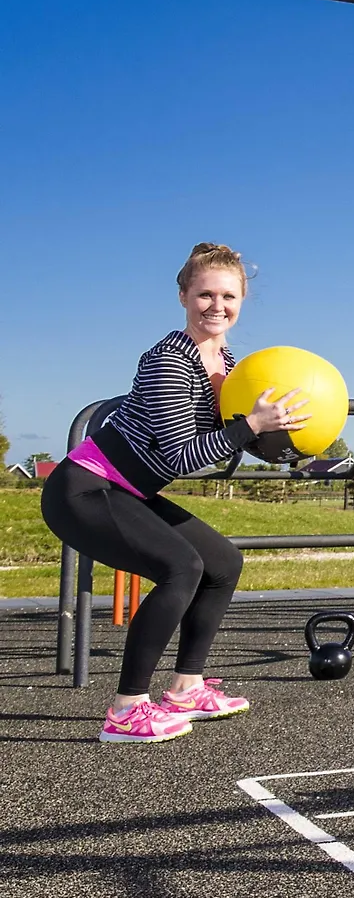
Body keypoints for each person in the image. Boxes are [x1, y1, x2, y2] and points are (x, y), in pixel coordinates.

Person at [41, 244, 308, 742]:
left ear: (242, 300)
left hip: (127, 491)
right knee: (180, 567)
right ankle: (127, 710)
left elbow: (235, 440)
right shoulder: (168, 360)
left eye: (228, 295)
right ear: (184, 296)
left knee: (223, 562)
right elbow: (180, 457)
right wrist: (251, 423)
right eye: (204, 294)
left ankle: (186, 689)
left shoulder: (229, 363)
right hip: (83, 490)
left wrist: (289, 444)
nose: (216, 305)